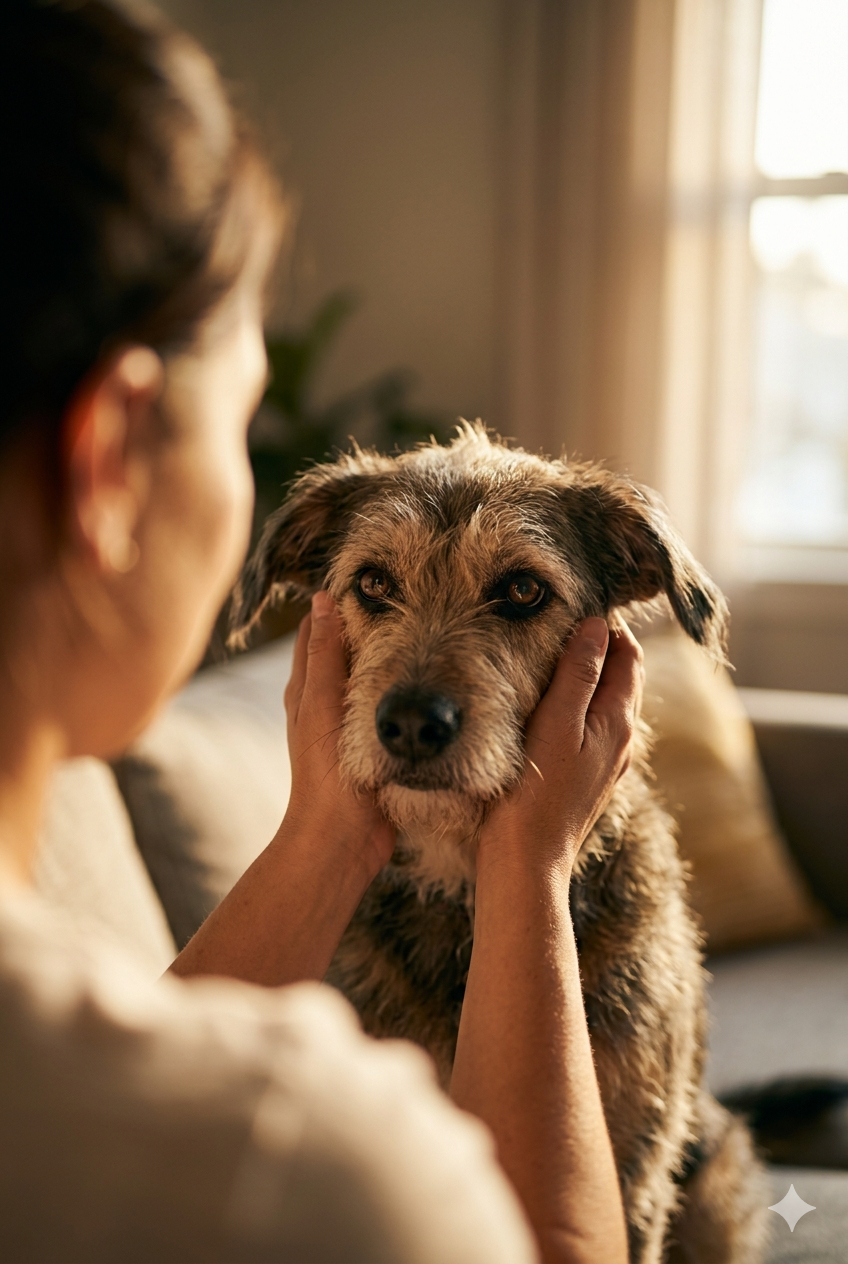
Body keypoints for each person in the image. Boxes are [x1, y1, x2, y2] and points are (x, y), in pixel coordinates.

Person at [0, 1, 641, 1261]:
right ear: (115, 459)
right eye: (242, 417)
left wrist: (327, 831)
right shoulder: (300, 1155)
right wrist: (528, 866)